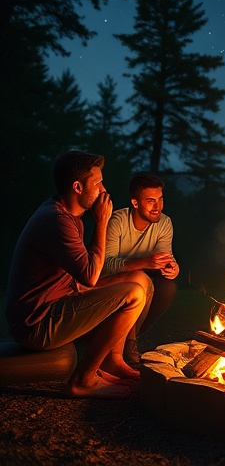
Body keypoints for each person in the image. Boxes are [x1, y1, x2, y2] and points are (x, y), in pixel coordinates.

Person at [6, 151, 154, 399]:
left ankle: (112, 361)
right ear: (78, 186)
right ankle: (82, 381)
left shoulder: (68, 215)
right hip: (37, 322)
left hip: (59, 302)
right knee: (134, 294)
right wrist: (102, 222)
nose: (103, 189)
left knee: (139, 279)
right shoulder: (56, 220)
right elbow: (89, 276)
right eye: (97, 183)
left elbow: (78, 277)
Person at [101, 173, 180, 368]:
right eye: (151, 201)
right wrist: (143, 262)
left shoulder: (164, 223)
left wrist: (172, 267)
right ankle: (128, 342)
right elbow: (105, 264)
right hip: (109, 283)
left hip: (140, 281)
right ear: (135, 203)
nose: (158, 206)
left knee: (168, 286)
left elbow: (165, 256)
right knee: (139, 279)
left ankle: (130, 334)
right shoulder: (117, 221)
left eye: (160, 199)